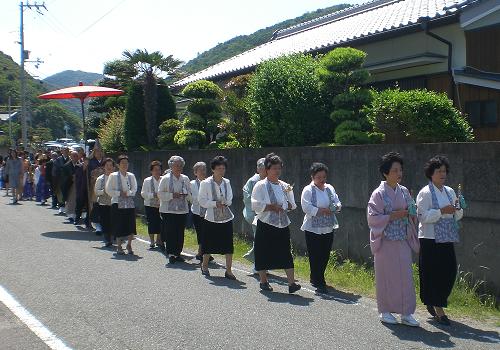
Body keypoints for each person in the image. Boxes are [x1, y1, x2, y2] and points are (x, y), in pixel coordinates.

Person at [367, 152, 420, 327]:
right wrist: (394, 215)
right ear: (385, 173)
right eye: (395, 170)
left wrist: (412, 212)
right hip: (385, 240)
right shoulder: (378, 194)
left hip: (402, 239)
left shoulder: (404, 191)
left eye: (400, 170)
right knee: (386, 276)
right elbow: (372, 218)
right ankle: (385, 310)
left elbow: (412, 212)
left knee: (405, 276)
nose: (399, 173)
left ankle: (407, 312)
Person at [416, 155, 464, 326]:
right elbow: (422, 217)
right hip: (430, 238)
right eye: (438, 171)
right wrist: (441, 211)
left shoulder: (450, 191)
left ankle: (434, 300)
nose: (442, 174)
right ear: (431, 174)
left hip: (447, 236)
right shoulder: (425, 193)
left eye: (444, 171)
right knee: (433, 273)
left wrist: (458, 208)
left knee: (450, 271)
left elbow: (457, 216)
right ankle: (439, 309)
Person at [251, 153, 301, 293]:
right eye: (274, 168)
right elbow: (254, 205)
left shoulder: (285, 186)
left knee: (285, 252)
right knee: (263, 251)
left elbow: (292, 204)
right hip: (266, 223)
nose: (277, 171)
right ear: (267, 169)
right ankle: (263, 281)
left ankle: (291, 283)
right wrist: (271, 207)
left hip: (282, 223)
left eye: (279, 168)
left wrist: (288, 206)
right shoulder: (260, 185)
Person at [300, 162, 341, 294]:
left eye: (324, 177)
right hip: (313, 227)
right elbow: (306, 207)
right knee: (315, 253)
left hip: (328, 226)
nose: (322, 180)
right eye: (318, 177)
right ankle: (319, 280)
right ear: (312, 177)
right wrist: (320, 210)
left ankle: (317, 276)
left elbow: (337, 202)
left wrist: (335, 208)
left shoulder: (329, 188)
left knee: (325, 253)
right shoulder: (308, 190)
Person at [198, 156, 236, 279]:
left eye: (223, 168)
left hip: (226, 217)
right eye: (219, 168)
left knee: (228, 244)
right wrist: (215, 203)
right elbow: (202, 201)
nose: (221, 170)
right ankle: (204, 265)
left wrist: (226, 202)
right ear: (213, 169)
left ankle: (228, 270)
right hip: (211, 217)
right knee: (208, 242)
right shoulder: (206, 183)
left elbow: (230, 198)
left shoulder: (227, 182)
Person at [158, 156, 191, 263]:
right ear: (171, 166)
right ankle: (171, 253)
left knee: (179, 232)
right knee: (170, 231)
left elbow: (190, 194)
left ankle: (178, 253)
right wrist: (172, 195)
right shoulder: (165, 178)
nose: (179, 167)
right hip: (168, 210)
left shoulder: (185, 179)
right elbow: (160, 194)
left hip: (182, 210)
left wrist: (188, 196)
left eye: (180, 165)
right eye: (176, 165)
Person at [105, 155, 137, 255]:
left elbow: (135, 189)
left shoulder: (131, 176)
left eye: (126, 163)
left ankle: (129, 244)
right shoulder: (113, 176)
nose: (125, 165)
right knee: (119, 224)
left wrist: (128, 193)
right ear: (118, 165)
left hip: (129, 203)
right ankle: (119, 246)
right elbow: (108, 190)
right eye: (122, 163)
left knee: (131, 225)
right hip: (117, 203)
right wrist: (119, 193)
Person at [242, 158, 266, 266]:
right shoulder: (252, 181)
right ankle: (257, 265)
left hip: (267, 214)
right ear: (258, 169)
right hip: (255, 214)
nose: (264, 171)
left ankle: (261, 263)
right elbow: (247, 197)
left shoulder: (270, 180)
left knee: (264, 239)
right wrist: (259, 205)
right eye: (262, 168)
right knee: (259, 238)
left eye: (266, 168)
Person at [141, 160, 163, 249]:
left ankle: (159, 239)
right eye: (155, 170)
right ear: (151, 171)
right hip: (150, 205)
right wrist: (152, 195)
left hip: (162, 205)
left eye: (159, 169)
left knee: (161, 222)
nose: (157, 172)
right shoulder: (147, 180)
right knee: (151, 222)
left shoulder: (163, 179)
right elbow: (143, 193)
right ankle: (152, 241)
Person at [189, 161, 208, 260]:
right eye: (200, 170)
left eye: (204, 169)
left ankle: (205, 252)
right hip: (196, 211)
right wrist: (200, 200)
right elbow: (190, 198)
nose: (203, 172)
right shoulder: (191, 184)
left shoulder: (209, 182)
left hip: (208, 212)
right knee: (200, 231)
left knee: (207, 232)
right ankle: (201, 251)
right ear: (195, 172)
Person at [94, 158, 115, 247]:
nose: (109, 167)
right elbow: (96, 191)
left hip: (115, 203)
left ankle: (114, 236)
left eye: (111, 165)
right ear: (103, 167)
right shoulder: (100, 179)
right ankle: (107, 239)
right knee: (105, 221)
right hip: (103, 203)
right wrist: (103, 191)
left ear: (113, 167)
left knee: (113, 221)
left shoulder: (117, 178)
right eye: (107, 165)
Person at [61, 151, 79, 223]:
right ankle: (71, 215)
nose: (75, 158)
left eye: (76, 156)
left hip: (78, 185)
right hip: (70, 185)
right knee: (70, 200)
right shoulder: (66, 166)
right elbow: (63, 177)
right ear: (70, 157)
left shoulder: (80, 164)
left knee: (76, 200)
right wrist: (71, 177)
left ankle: (75, 213)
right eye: (73, 156)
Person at [54, 148, 70, 214]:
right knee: (60, 193)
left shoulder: (70, 159)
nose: (66, 152)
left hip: (69, 179)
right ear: (62, 152)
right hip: (60, 178)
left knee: (68, 193)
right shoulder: (58, 159)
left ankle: (68, 207)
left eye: (67, 151)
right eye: (64, 151)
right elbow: (55, 169)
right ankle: (61, 206)